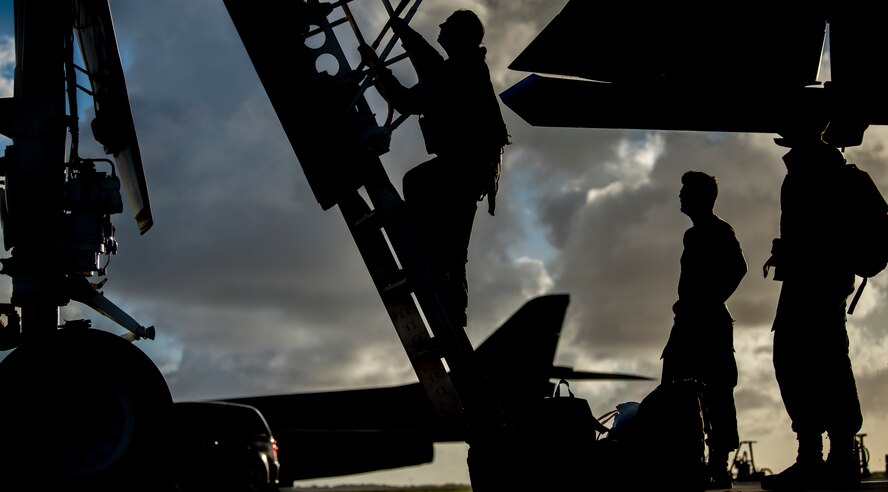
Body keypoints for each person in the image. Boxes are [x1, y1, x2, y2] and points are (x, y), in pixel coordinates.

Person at [360, 10, 509, 327]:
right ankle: (450, 295)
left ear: (460, 36)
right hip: (472, 170)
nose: (441, 28)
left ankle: (434, 267)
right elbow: (428, 64)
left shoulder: (461, 71)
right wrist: (402, 34)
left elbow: (409, 98)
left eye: (448, 27)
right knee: (452, 247)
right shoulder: (465, 67)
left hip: (466, 169)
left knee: (418, 186)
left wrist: (378, 68)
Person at [761, 120, 863, 491]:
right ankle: (835, 457)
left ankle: (818, 458)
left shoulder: (810, 171)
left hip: (812, 284)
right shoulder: (824, 167)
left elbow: (817, 235)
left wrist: (793, 253)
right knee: (827, 361)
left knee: (801, 362)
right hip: (823, 283)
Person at [660, 170, 747, 489]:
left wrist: (711, 301)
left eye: (686, 191)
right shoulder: (693, 234)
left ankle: (718, 465)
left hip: (707, 323)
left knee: (718, 392)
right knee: (674, 388)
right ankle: (686, 461)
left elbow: (739, 268)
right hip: (687, 321)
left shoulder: (718, 230)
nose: (680, 196)